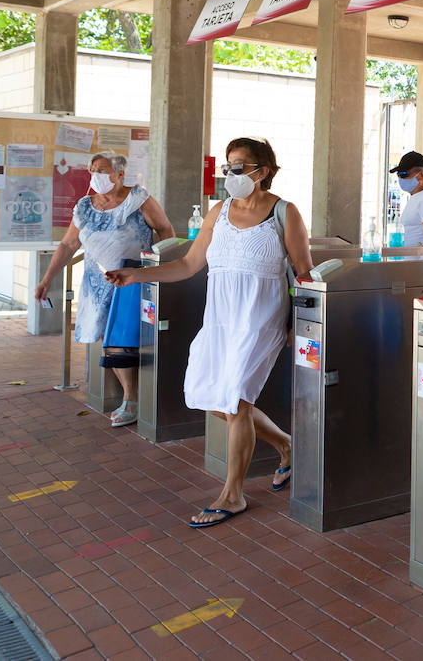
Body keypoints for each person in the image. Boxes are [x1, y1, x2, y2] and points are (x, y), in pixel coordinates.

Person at [107, 137, 312, 528]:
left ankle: (232, 495)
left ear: (262, 171)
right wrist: (137, 275)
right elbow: (188, 264)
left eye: (239, 166)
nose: (230, 173)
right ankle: (286, 445)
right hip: (219, 319)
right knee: (211, 396)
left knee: (236, 403)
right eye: (228, 165)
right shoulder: (219, 211)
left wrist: (297, 325)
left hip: (260, 319)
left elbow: (304, 274)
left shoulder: (284, 212)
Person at [34, 153, 173, 428]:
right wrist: (47, 279)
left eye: (101, 169)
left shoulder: (138, 199)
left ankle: (131, 399)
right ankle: (127, 395)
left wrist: (158, 266)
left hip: (132, 281)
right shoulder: (85, 206)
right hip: (96, 285)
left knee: (122, 339)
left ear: (120, 174)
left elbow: (165, 230)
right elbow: (68, 245)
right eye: (92, 170)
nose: (95, 175)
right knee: (104, 336)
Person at [390, 150, 423, 254]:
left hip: (421, 264)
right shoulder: (416, 197)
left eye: (404, 174)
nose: (400, 178)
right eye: (398, 174)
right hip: (411, 263)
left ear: (422, 174)